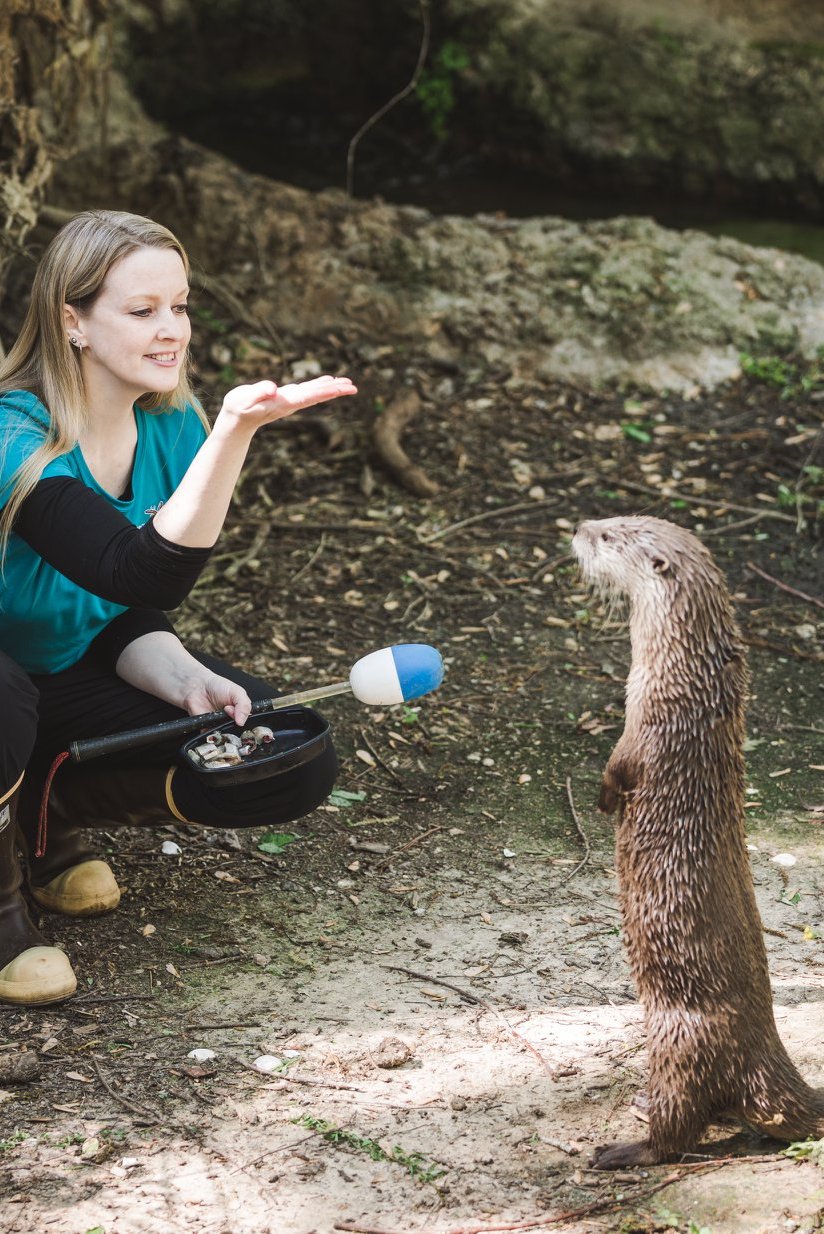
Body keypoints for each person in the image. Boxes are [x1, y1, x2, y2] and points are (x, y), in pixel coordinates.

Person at [0, 209, 357, 1006]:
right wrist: (236, 432)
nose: (172, 331)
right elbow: (137, 571)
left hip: (63, 673)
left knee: (280, 752)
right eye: (142, 311)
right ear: (73, 321)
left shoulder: (170, 425)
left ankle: (37, 816)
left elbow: (118, 611)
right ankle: (3, 915)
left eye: (181, 306)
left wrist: (185, 678)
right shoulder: (13, 434)